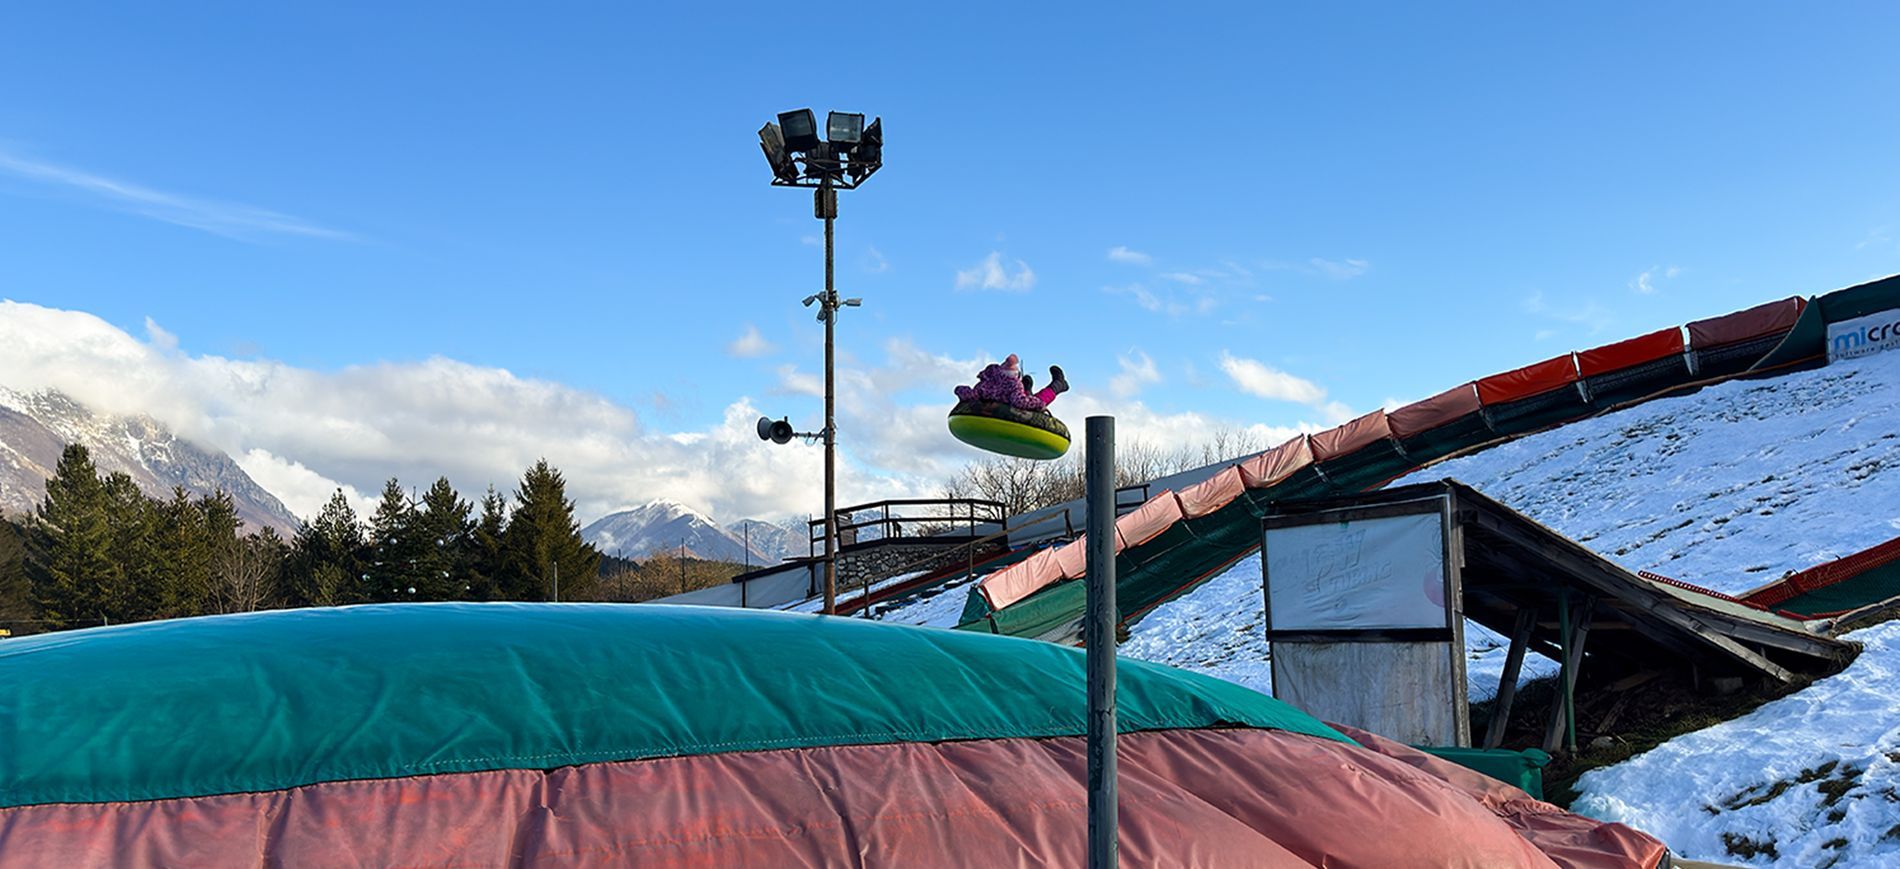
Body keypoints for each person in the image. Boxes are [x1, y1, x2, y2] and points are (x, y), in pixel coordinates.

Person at [954, 354, 1069, 412]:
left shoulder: (986, 383)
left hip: (1011, 398)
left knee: (1026, 397)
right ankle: (1058, 385)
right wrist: (1039, 404)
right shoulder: (1012, 385)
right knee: (1039, 399)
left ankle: (1057, 385)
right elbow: (1020, 401)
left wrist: (960, 390)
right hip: (1014, 400)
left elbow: (971, 394)